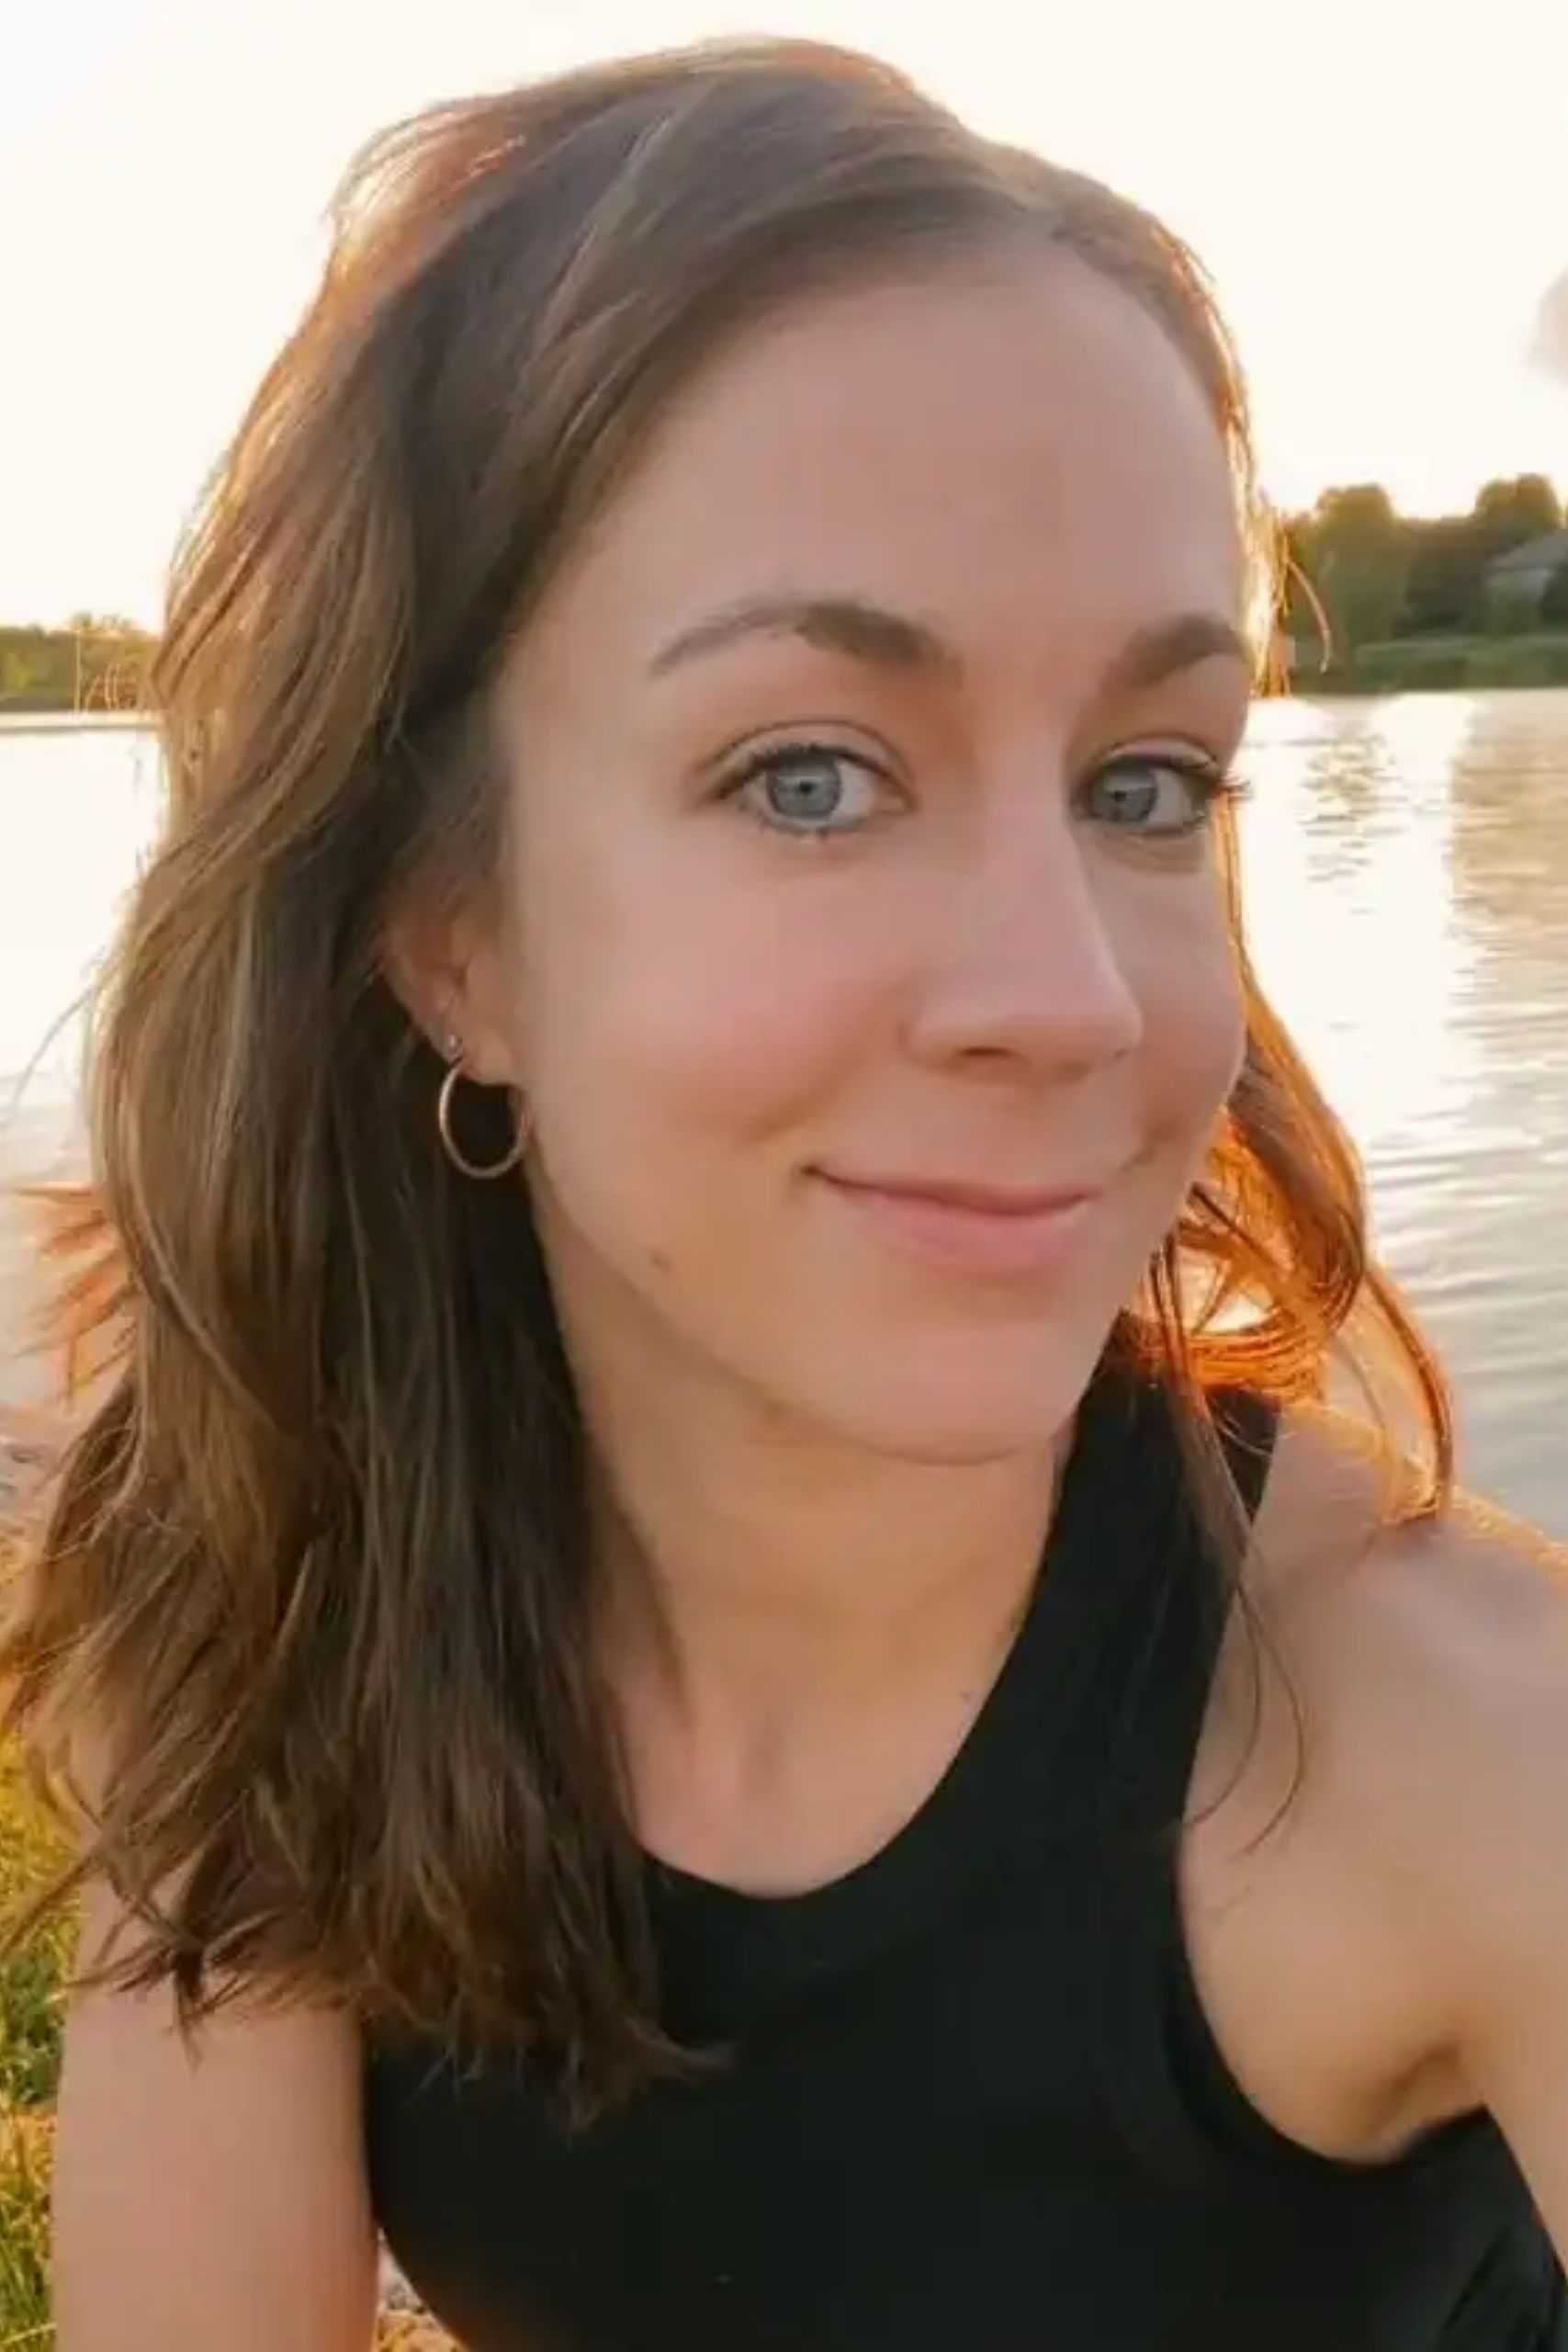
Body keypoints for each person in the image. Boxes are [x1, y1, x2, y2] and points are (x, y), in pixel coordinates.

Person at [4, 36, 1567, 2352]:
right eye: (810, 774)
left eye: (1147, 780)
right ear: (450, 932)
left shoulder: (1449, 1747)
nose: (1068, 999)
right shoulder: (266, 1599)